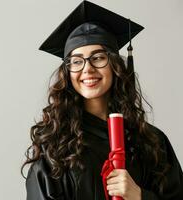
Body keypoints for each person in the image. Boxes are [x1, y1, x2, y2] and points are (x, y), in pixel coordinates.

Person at [21, 1, 183, 200]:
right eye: (77, 61)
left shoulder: (152, 142)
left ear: (115, 66)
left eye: (98, 58)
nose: (87, 69)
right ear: (68, 72)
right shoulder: (54, 149)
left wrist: (139, 196)